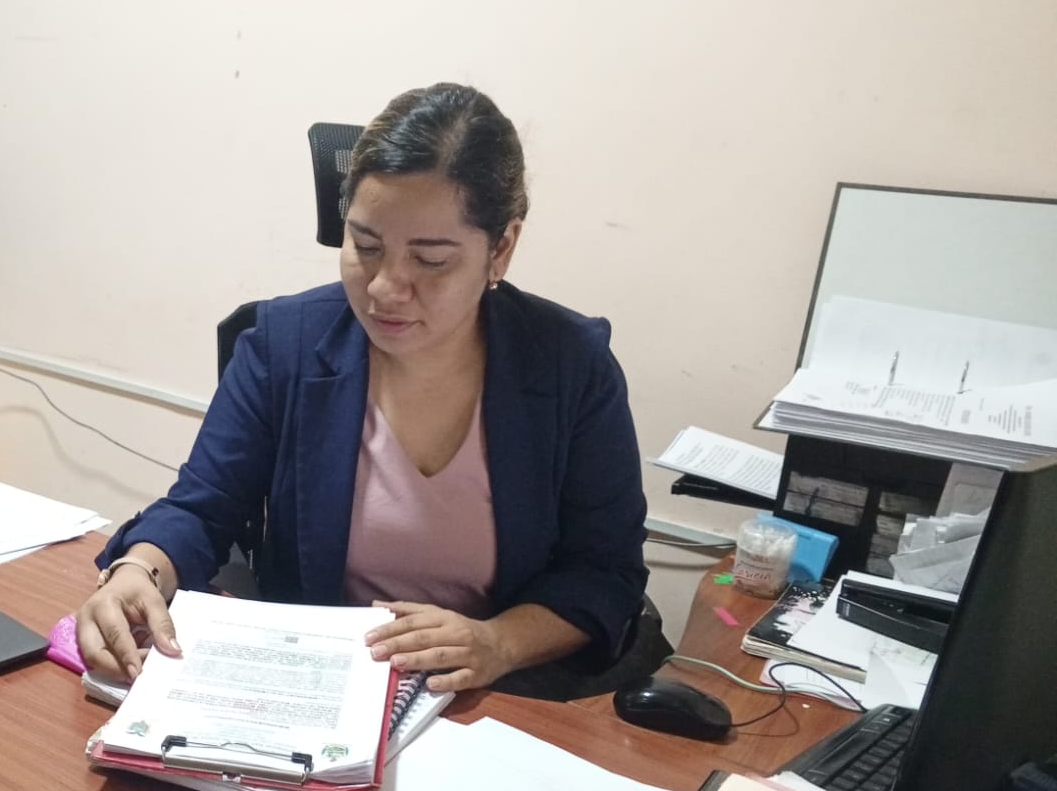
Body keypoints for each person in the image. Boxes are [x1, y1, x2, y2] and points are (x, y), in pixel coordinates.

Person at [77, 82, 647, 694]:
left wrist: (497, 643)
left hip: (492, 700)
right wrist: (139, 570)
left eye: (431, 260)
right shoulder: (285, 344)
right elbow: (202, 507)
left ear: (500, 249)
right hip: (312, 686)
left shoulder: (570, 367)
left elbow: (603, 572)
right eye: (366, 246)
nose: (383, 288)